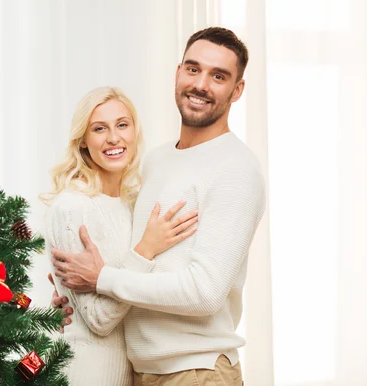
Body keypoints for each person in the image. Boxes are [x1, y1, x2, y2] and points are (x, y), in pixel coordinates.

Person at [51, 27, 266, 386]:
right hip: (139, 371)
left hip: (197, 372)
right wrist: (73, 295)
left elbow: (204, 293)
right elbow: (136, 258)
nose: (200, 84)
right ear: (178, 73)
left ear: (237, 90)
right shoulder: (156, 161)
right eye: (193, 69)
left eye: (218, 76)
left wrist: (103, 279)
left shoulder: (236, 168)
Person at [41, 86, 198, 386]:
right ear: (83, 141)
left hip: (131, 372)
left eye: (122, 125)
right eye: (99, 128)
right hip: (88, 373)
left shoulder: (131, 205)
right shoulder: (73, 207)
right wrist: (145, 250)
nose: (114, 138)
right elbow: (99, 320)